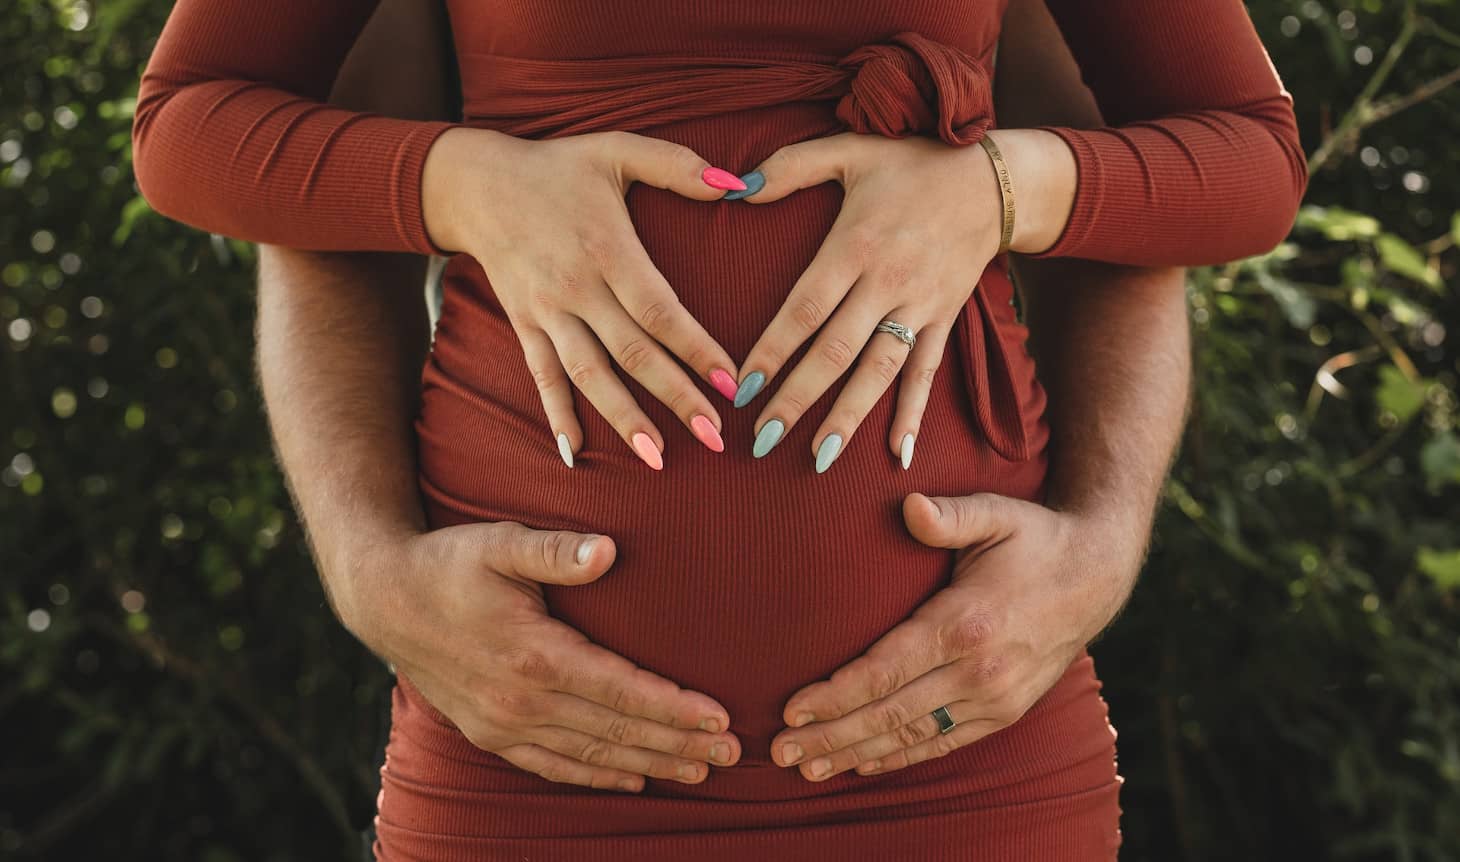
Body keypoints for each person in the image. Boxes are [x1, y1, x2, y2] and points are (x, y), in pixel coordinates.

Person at [132, 0, 1305, 857]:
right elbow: (191, 122)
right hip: (530, 763)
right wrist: (465, 184)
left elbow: (1240, 153)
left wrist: (1001, 189)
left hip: (962, 763)